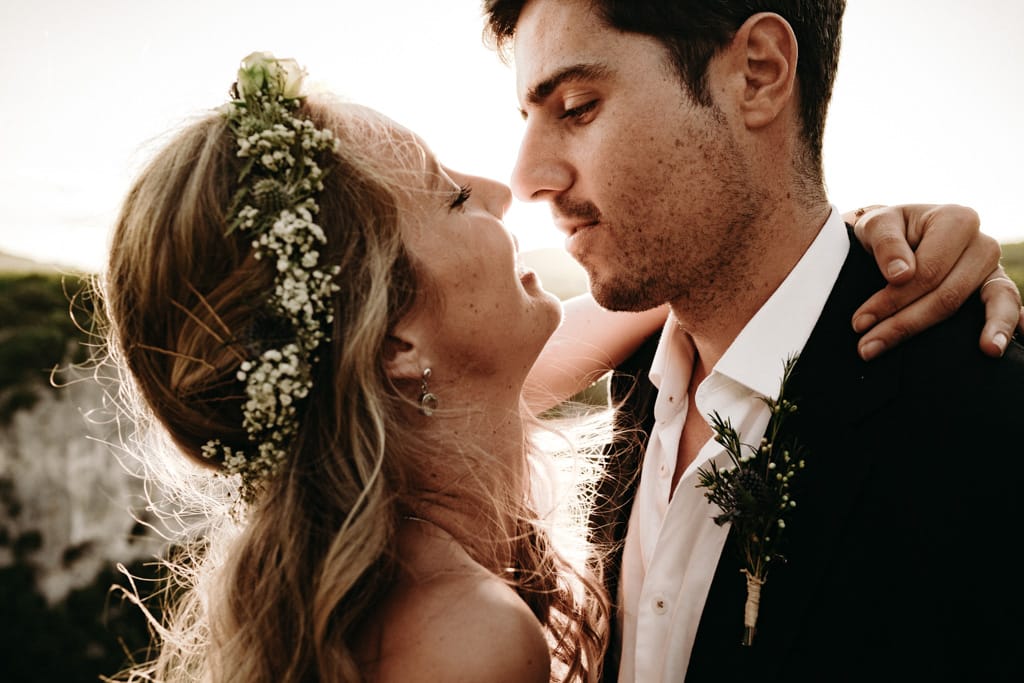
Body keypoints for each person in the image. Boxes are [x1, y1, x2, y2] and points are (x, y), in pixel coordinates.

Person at [102, 52, 1013, 683]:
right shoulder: (462, 641)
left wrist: (859, 239)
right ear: (395, 346)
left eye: (578, 107)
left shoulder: (403, 443)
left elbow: (682, 288)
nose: (503, 188)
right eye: (450, 197)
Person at [483, 1, 1024, 681]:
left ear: (759, 74)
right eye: (528, 119)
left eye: (578, 107)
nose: (527, 178)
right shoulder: (634, 377)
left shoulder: (989, 431)